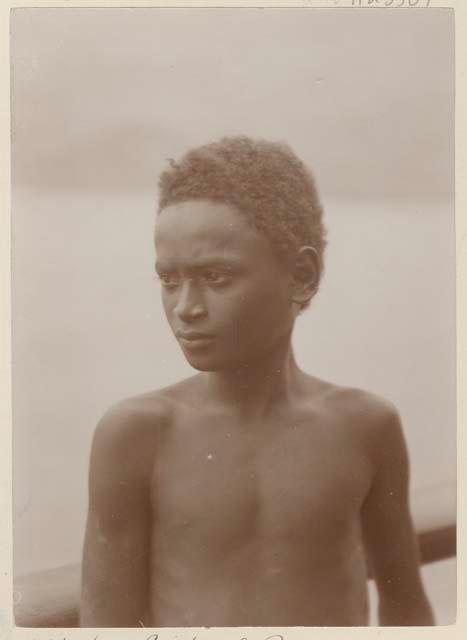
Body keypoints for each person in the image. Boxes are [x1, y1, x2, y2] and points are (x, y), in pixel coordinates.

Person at [80, 136, 434, 627]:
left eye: (217, 277)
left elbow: (406, 608)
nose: (186, 307)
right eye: (169, 279)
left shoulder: (366, 427)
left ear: (302, 276)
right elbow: (105, 627)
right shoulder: (137, 435)